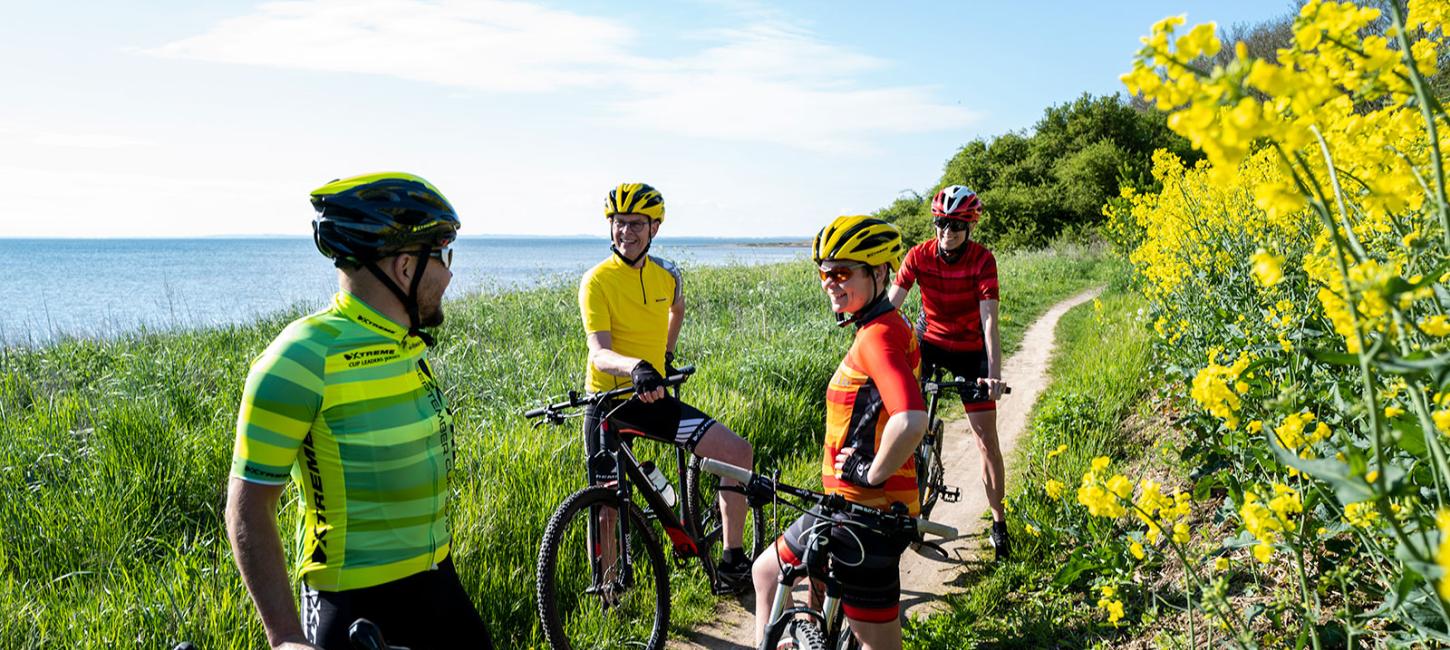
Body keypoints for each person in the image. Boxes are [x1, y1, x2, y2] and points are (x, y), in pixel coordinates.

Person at [226, 172, 493, 649]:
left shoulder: (407, 346)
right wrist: (285, 636)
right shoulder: (301, 359)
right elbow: (248, 508)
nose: (450, 275)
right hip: (354, 608)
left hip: (439, 583)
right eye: (444, 256)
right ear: (406, 268)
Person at [751, 215, 926, 650]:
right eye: (825, 272)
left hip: (866, 516)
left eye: (843, 271)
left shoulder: (877, 336)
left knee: (877, 643)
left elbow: (911, 419)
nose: (830, 281)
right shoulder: (881, 326)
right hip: (848, 510)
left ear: (879, 271)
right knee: (768, 572)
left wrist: (871, 474)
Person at [577, 182, 756, 586]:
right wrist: (638, 365)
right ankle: (609, 597)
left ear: (654, 228)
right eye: (619, 223)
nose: (626, 232)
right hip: (609, 404)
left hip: (654, 399)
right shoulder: (597, 281)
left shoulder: (666, 276)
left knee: (737, 453)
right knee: (605, 506)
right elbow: (599, 353)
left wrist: (665, 356)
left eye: (636, 224)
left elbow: (677, 307)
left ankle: (732, 560)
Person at [885, 185, 1010, 560]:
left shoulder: (982, 260)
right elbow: (892, 307)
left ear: (968, 226)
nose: (947, 231)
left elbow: (990, 323)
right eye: (941, 222)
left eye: (955, 224)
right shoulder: (919, 256)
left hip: (971, 349)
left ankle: (998, 522)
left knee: (986, 441)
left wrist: (993, 375)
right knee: (897, 416)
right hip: (930, 342)